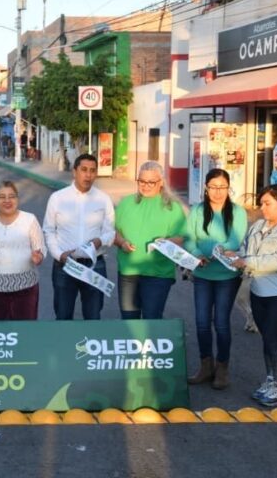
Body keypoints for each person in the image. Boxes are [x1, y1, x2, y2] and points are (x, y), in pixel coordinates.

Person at [228, 184, 277, 407]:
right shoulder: (259, 226)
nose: (262, 208)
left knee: (273, 338)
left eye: (267, 204)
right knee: (266, 339)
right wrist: (235, 256)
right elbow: (246, 248)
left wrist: (248, 261)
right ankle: (270, 381)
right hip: (258, 291)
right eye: (261, 203)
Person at [184, 168, 248, 390]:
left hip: (227, 275)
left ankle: (222, 368)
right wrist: (196, 254)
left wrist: (211, 250)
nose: (218, 192)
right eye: (213, 187)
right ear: (206, 188)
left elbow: (235, 241)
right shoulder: (197, 211)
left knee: (221, 323)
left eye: (222, 187)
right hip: (202, 273)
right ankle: (205, 366)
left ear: (229, 188)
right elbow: (189, 238)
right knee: (202, 323)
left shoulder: (238, 212)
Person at [43, 153, 115, 320]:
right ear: (74, 172)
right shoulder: (57, 198)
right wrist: (59, 255)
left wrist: (100, 241)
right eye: (83, 170)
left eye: (92, 170)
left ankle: (90, 346)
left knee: (93, 316)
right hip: (65, 266)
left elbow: (110, 232)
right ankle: (63, 345)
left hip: (94, 265)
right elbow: (48, 230)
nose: (88, 175)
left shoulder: (103, 199)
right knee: (63, 316)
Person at [114, 161, 187, 320]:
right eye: (142, 181)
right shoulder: (126, 203)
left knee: (152, 319)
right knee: (128, 319)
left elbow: (181, 237)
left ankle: (149, 346)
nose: (146, 186)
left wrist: (166, 242)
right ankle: (133, 345)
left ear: (161, 183)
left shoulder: (172, 207)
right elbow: (114, 231)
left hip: (158, 273)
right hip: (128, 271)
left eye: (151, 182)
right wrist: (121, 242)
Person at [0, 181, 46, 320]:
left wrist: (38, 256)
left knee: (25, 332)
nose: (7, 200)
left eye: (12, 196)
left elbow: (40, 247)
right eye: (2, 197)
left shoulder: (29, 219)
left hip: (26, 288)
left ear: (17, 199)